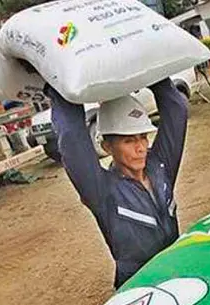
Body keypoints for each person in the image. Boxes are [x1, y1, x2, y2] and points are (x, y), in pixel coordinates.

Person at [48, 78, 189, 289]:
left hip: (177, 269)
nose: (140, 148)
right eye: (129, 141)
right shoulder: (103, 190)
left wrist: (157, 77)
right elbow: (72, 139)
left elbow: (176, 111)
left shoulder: (159, 167)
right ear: (107, 147)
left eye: (143, 137)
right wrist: (60, 89)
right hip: (138, 285)